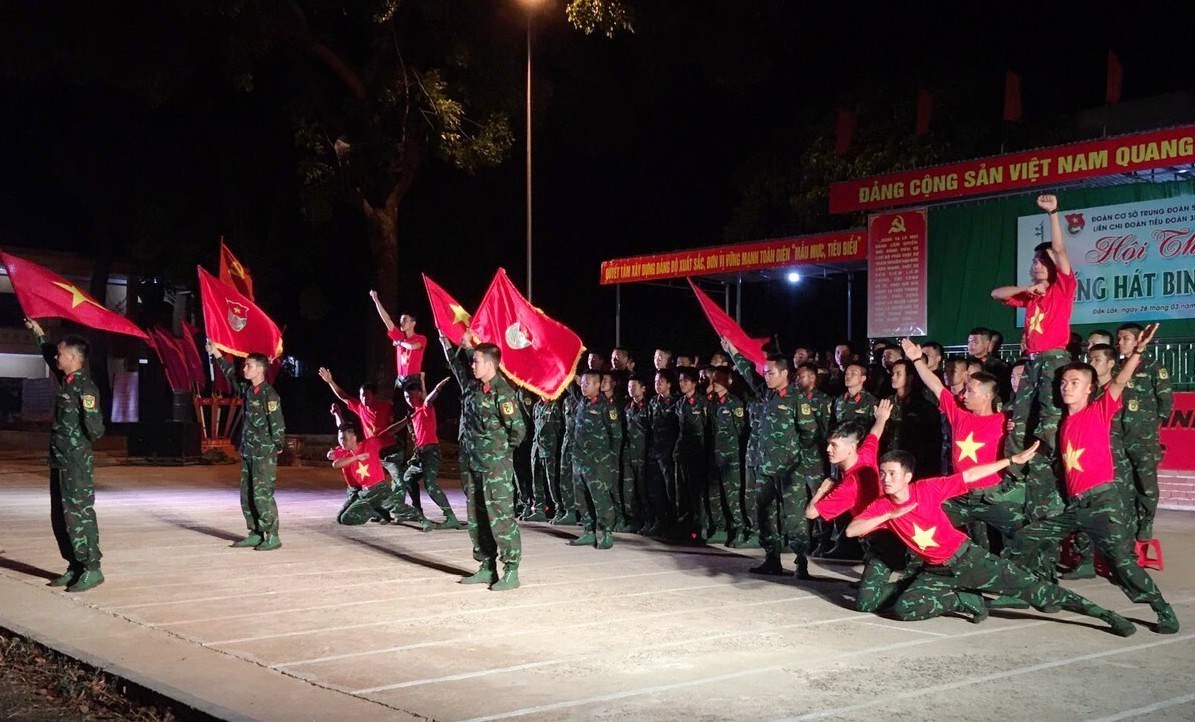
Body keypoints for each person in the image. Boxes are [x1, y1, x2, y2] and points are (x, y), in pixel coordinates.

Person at [845, 446, 1136, 637]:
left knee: (1036, 590)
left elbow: (969, 475)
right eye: (882, 474)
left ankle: (1107, 615)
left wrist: (1010, 461)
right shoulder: (882, 506)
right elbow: (852, 530)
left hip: (969, 559)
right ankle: (962, 597)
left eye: (892, 474)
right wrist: (893, 513)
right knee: (905, 609)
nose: (885, 479)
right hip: (936, 571)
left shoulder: (927, 489)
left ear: (907, 476)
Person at [1005, 323, 1179, 634]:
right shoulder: (1062, 423)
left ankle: (1162, 610)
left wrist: (1137, 352)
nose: (1067, 387)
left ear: (1089, 388)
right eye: (1064, 382)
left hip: (1102, 502)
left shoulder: (1099, 409)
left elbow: (1120, 381)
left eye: (1075, 382)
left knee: (1122, 565)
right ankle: (1041, 592)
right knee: (1026, 537)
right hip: (1075, 508)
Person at [990, 193, 1075, 520]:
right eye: (1034, 262)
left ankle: (1053, 481)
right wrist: (1027, 288)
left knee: (1051, 423)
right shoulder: (1031, 295)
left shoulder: (1063, 288)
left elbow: (1061, 250)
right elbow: (996, 293)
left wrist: (1053, 213)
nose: (1035, 265)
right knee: (1018, 421)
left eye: (1040, 262)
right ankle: (1016, 481)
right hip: (1032, 361)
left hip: (1054, 360)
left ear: (1052, 267)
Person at [902, 339, 1021, 547]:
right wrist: (916, 360)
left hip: (993, 496)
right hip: (960, 495)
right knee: (932, 529)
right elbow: (936, 385)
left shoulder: (1005, 419)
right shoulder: (959, 414)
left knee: (1019, 539)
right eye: (965, 389)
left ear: (986, 396)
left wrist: (1015, 427)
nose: (963, 394)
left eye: (970, 391)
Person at [440, 333, 526, 591]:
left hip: (495, 468)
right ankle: (487, 566)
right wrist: (449, 343)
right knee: (476, 516)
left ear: (490, 364)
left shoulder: (503, 393)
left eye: (476, 361)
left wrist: (497, 453)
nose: (472, 365)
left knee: (500, 517)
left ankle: (511, 571)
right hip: (472, 463)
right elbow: (457, 365)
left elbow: (518, 431)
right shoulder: (474, 386)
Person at [26, 319, 105, 592]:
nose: (56, 357)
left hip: (75, 463)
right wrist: (39, 334)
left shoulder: (85, 388)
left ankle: (92, 568)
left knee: (79, 514)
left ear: (73, 357)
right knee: (60, 516)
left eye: (60, 353)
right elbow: (49, 354)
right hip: (60, 460)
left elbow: (96, 429)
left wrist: (75, 444)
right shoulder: (68, 380)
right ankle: (74, 564)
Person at [727, 341, 819, 577]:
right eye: (765, 373)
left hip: (790, 470)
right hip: (765, 468)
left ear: (785, 373)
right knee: (764, 515)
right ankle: (771, 558)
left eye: (771, 373)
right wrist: (732, 350)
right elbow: (749, 374)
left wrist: (794, 455)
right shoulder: (766, 394)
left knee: (794, 517)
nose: (766, 377)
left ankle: (801, 561)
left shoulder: (798, 399)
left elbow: (810, 433)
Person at [806, 403, 897, 609]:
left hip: (883, 539)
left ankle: (906, 586)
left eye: (835, 445)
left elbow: (811, 513)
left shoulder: (849, 485)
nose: (828, 449)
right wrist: (881, 417)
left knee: (865, 604)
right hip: (878, 533)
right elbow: (875, 434)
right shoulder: (864, 455)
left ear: (851, 447)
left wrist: (822, 490)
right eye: (829, 444)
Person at [208, 342, 285, 551]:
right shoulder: (249, 390)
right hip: (249, 450)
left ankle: (272, 535)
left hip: (263, 452)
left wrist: (277, 444)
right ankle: (255, 532)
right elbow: (232, 375)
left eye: (249, 366)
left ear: (260, 369)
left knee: (262, 495)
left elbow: (277, 423)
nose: (244, 369)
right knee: (248, 494)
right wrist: (216, 353)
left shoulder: (269, 395)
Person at [317, 368, 414, 518]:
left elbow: (400, 406)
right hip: (373, 452)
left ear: (374, 396)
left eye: (367, 396)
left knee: (398, 480)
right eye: (362, 395)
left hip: (389, 449)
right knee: (369, 482)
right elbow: (344, 396)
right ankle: (379, 512)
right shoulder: (360, 408)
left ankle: (399, 511)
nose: (364, 399)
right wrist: (330, 381)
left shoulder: (386, 406)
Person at [1114, 322, 1174, 542]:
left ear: (1140, 340)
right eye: (1118, 338)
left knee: (1145, 482)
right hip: (1117, 435)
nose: (1120, 343)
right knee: (1122, 482)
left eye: (1126, 338)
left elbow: (1166, 402)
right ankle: (1127, 523)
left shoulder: (1152, 366)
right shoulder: (1114, 368)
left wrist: (1147, 424)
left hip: (1143, 437)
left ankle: (1146, 521)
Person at [568, 370, 623, 548]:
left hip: (598, 461)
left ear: (598, 385)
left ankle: (607, 532)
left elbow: (616, 436)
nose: (583, 387)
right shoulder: (582, 401)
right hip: (579, 459)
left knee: (600, 498)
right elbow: (568, 381)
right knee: (581, 497)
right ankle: (588, 532)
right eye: (582, 383)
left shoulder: (607, 407)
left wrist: (609, 460)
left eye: (588, 383)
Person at [398, 378, 461, 529]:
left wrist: (438, 388)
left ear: (419, 394)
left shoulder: (425, 407)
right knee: (408, 477)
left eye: (413, 396)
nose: (410, 400)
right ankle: (418, 511)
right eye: (407, 397)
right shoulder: (413, 415)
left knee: (430, 485)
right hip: (420, 454)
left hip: (431, 452)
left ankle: (451, 517)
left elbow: (429, 399)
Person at [708, 368, 745, 546]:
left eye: (718, 379)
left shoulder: (734, 403)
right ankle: (720, 528)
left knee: (732, 495)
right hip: (715, 455)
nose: (714, 382)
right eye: (713, 379)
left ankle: (738, 528)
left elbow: (741, 429)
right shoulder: (713, 402)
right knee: (715, 494)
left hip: (731, 457)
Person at [328, 423, 392, 526]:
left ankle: (376, 510)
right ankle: (377, 510)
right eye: (340, 438)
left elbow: (377, 437)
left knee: (346, 518)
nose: (341, 441)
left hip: (363, 488)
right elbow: (334, 462)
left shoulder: (363, 445)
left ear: (353, 438)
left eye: (343, 439)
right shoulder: (342, 451)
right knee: (339, 518)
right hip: (353, 489)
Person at [673, 366, 710, 539]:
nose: (682, 384)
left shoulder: (702, 402)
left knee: (696, 492)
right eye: (680, 380)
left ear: (694, 383)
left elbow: (707, 427)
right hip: (682, 453)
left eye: (686, 380)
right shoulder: (679, 403)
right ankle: (684, 526)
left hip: (697, 453)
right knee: (682, 492)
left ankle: (700, 527)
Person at [644, 369, 680, 536]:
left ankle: (674, 524)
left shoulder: (676, 403)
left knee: (670, 490)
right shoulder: (652, 402)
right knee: (655, 489)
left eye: (661, 382)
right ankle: (659, 521)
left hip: (668, 453)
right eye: (656, 381)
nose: (657, 385)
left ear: (669, 384)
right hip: (655, 451)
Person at [370, 291, 426, 392]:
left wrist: (399, 343)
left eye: (405, 320)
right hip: (400, 379)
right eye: (401, 320)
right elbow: (387, 320)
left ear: (413, 323)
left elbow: (413, 347)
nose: (402, 322)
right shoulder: (399, 336)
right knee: (397, 405)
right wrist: (376, 300)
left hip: (413, 379)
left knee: (414, 405)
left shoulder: (421, 338)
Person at [622, 375, 651, 533]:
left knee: (643, 490)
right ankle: (633, 519)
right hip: (630, 454)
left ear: (643, 388)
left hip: (644, 454)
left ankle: (648, 520)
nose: (631, 389)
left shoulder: (648, 406)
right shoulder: (628, 407)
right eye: (629, 386)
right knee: (629, 490)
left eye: (634, 386)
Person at [532, 393, 564, 523]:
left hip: (551, 448)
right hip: (537, 447)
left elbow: (560, 428)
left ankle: (560, 510)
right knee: (537, 479)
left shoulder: (555, 407)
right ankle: (539, 509)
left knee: (553, 482)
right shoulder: (537, 406)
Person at [833, 361, 877, 430]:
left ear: (863, 378)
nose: (848, 376)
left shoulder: (870, 401)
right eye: (847, 373)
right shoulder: (840, 399)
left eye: (853, 374)